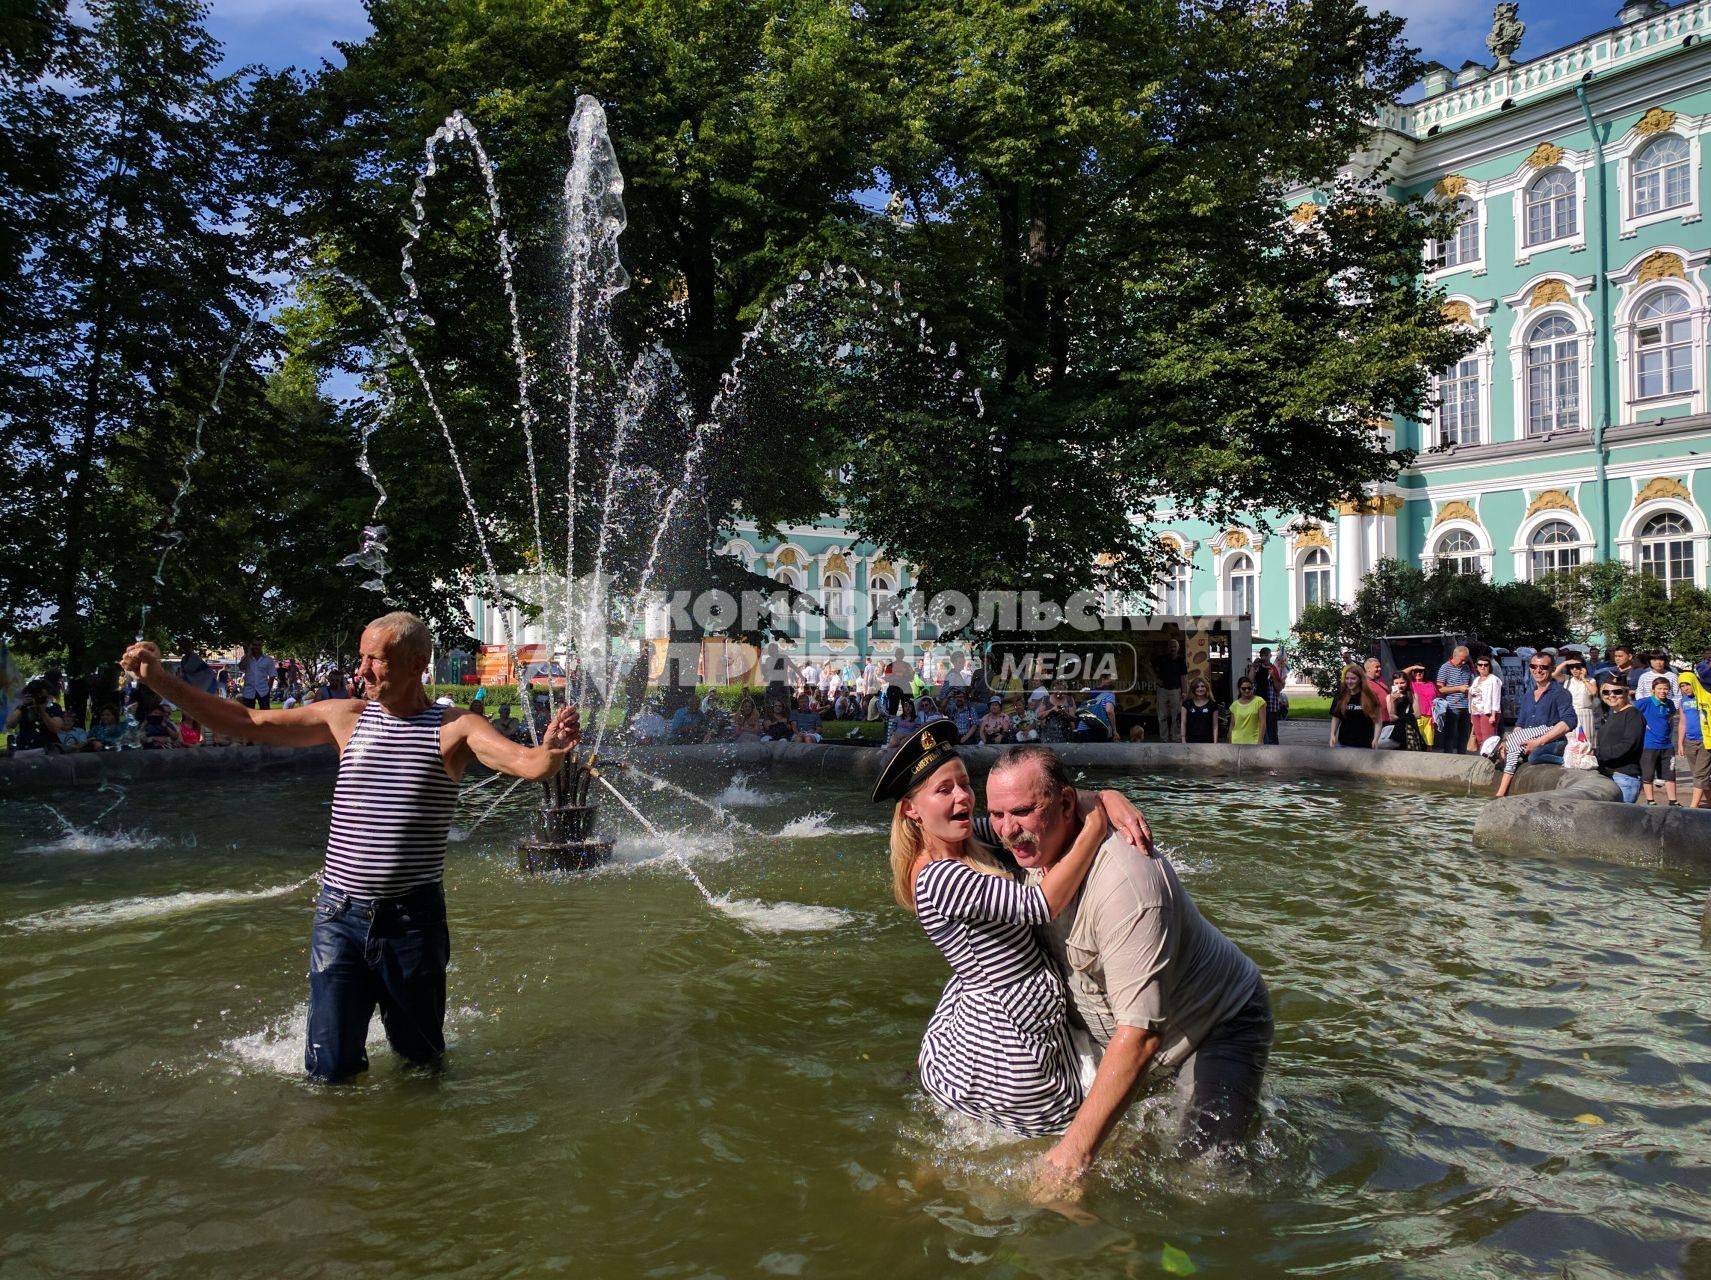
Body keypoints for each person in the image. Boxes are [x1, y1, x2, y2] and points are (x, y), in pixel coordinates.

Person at [119, 613, 581, 1083]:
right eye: (362, 657)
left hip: (411, 924)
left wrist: (550, 751)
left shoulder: (456, 729)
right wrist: (159, 680)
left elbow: (527, 764)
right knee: (329, 1069)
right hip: (339, 916)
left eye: (375, 659)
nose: (361, 671)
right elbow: (247, 720)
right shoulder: (345, 718)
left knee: (419, 1064)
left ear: (418, 663)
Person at [985, 746, 1269, 1176]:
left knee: (1207, 1175)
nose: (1007, 831)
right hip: (1123, 1030)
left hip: (1213, 1027)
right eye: (997, 815)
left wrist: (1069, 1159)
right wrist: (1102, 797)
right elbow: (945, 832)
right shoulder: (1028, 842)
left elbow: (1140, 1035)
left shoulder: (1128, 885)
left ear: (1064, 804)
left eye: (1022, 811)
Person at [875, 723, 1146, 1140]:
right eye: (943, 790)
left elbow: (1024, 823)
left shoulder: (965, 841)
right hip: (1013, 1050)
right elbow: (1041, 905)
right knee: (1069, 1151)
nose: (963, 797)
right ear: (912, 809)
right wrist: (1093, 826)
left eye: (964, 784)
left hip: (1019, 1022)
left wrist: (1105, 796)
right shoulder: (938, 877)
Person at [1492, 653, 1576, 798]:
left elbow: (1569, 721)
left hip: (1552, 742)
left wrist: (1539, 741)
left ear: (1552, 669)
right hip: (1527, 741)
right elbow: (1520, 725)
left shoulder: (1561, 693)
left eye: (1543, 667)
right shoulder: (1527, 696)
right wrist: (1508, 742)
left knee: (1535, 756)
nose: (1538, 670)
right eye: (1533, 666)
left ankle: (1568, 760)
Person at [1594, 681, 1645, 803]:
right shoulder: (1613, 714)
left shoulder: (1633, 714)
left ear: (1626, 693)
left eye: (1617, 692)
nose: (1611, 695)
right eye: (1606, 692)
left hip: (1624, 777)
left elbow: (1629, 744)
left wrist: (1597, 754)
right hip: (1608, 774)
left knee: (1623, 820)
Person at [1637, 676, 1679, 806]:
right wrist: (1643, 724)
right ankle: (1650, 800)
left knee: (1670, 773)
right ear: (1653, 689)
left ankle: (1673, 800)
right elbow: (1630, 710)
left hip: (1667, 744)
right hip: (1649, 744)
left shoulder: (1670, 703)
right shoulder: (1645, 702)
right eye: (1659, 688)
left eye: (1666, 689)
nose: (1663, 691)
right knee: (1648, 774)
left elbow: (1671, 714)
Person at [1677, 672, 1710, 808]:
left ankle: (1693, 807)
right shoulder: (1683, 702)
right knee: (1699, 775)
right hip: (1690, 742)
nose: (1685, 688)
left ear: (1694, 683)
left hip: (1706, 742)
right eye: (1682, 686)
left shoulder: (1707, 698)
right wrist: (1680, 743)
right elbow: (1682, 723)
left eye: (1687, 684)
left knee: (1700, 775)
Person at [1329, 665, 1379, 749]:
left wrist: (1376, 739)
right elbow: (1336, 716)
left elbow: (1378, 720)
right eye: (1347, 678)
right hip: (1344, 743)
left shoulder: (1369, 696)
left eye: (1353, 678)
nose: (1349, 681)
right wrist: (1332, 734)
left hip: (1364, 744)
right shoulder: (1340, 696)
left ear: (1360, 680)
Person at [1434, 646, 1472, 754]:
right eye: (1462, 659)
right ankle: (1449, 758)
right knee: (1451, 735)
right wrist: (1459, 688)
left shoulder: (1466, 668)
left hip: (1466, 706)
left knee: (1464, 735)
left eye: (1466, 659)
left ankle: (1462, 756)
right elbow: (1440, 688)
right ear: (1454, 656)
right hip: (1452, 706)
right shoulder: (1445, 668)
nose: (1464, 662)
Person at [1154, 638, 1188, 743]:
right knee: (1162, 715)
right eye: (1171, 646)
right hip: (1162, 690)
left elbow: (1183, 677)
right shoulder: (1161, 659)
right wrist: (1156, 680)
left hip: (1175, 690)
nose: (1172, 648)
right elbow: (1149, 667)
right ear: (1167, 648)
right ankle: (1164, 738)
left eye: (1175, 646)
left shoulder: (1181, 660)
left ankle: (1176, 737)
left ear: (1178, 648)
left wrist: (1184, 691)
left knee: (1176, 716)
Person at [1468, 655, 1504, 751]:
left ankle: (1490, 761)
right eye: (1480, 665)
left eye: (1485, 665)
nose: (1482, 667)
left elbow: (1496, 698)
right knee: (1479, 739)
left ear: (1489, 666)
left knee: (1488, 740)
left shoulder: (1494, 679)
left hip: (1487, 712)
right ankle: (1483, 758)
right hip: (1476, 712)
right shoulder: (1476, 680)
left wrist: (1493, 715)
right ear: (1477, 666)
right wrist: (1471, 714)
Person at [236, 642, 277, 710]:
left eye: (259, 645)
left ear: (261, 646)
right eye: (255, 645)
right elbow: (241, 667)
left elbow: (272, 675)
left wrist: (268, 690)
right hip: (249, 690)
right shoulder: (246, 658)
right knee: (248, 713)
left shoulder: (268, 659)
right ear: (251, 646)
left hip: (263, 690)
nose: (257, 647)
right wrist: (248, 654)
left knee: (265, 713)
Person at [1180, 677, 1220, 743]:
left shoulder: (1213, 704)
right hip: (1191, 740)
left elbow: (1215, 725)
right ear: (1193, 688)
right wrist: (1183, 740)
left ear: (1206, 687)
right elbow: (1183, 723)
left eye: (1202, 686)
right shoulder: (1187, 704)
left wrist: (1215, 742)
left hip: (1208, 741)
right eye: (1197, 687)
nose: (1200, 689)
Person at [1229, 675, 1265, 745]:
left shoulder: (1259, 701)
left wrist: (1260, 740)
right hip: (1236, 741)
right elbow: (1232, 725)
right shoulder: (1234, 705)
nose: (1247, 690)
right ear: (1239, 689)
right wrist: (1230, 741)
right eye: (1244, 688)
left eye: (1249, 688)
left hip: (1254, 741)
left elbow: (1262, 722)